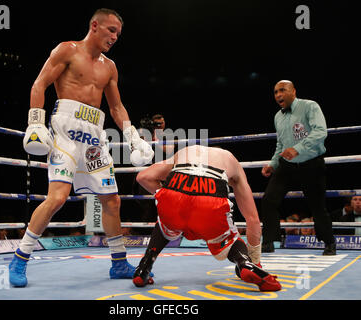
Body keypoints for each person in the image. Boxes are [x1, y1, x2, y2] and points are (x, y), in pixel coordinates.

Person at [9, 8, 154, 287]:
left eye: (118, 34)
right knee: (58, 198)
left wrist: (133, 135)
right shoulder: (67, 50)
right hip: (65, 131)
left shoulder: (109, 67)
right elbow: (39, 84)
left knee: (112, 200)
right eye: (111, 30)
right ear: (95, 25)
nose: (114, 37)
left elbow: (115, 106)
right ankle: (20, 257)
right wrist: (36, 122)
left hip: (94, 136)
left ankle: (119, 263)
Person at [132, 145, 281, 292]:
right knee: (231, 239)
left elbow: (143, 177)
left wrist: (166, 195)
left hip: (175, 189)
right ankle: (245, 263)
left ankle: (143, 267)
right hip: (211, 197)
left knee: (165, 225)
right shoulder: (232, 162)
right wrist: (255, 261)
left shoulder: (186, 151)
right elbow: (252, 219)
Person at [260, 80, 336, 255]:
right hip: (287, 166)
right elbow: (281, 144)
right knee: (269, 200)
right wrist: (273, 164)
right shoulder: (278, 117)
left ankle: (329, 243)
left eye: (282, 90)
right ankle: (269, 242)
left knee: (317, 206)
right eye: (275, 92)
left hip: (311, 164)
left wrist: (298, 149)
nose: (278, 94)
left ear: (293, 91)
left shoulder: (309, 106)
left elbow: (320, 131)